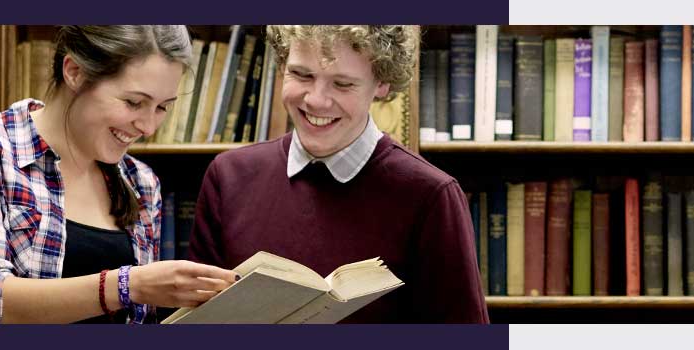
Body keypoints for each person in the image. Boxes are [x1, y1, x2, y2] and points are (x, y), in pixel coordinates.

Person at [0, 25, 236, 324]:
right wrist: (128, 286)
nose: (149, 127)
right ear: (75, 72)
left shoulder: (141, 182)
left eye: (162, 108)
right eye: (134, 102)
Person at [189, 25, 488, 323]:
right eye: (302, 75)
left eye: (343, 84)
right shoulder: (228, 176)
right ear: (281, 64)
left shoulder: (430, 195)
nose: (316, 100)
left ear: (381, 84)